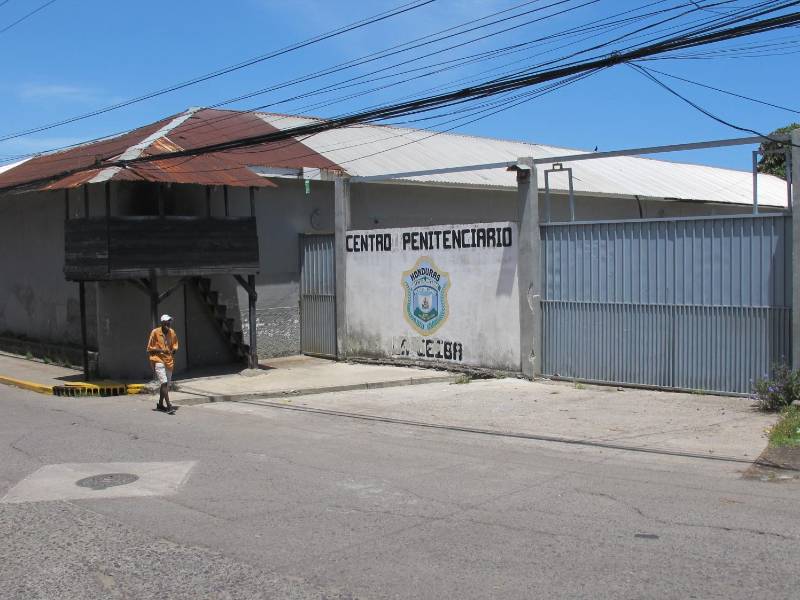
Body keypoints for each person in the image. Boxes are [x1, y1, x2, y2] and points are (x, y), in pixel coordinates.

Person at [147, 314, 179, 414]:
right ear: (162, 323)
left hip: (168, 361)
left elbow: (175, 345)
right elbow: (149, 349)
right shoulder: (155, 332)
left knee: (165, 384)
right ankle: (169, 406)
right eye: (166, 322)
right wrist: (161, 350)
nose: (168, 323)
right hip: (158, 360)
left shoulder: (172, 332)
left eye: (169, 321)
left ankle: (160, 405)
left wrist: (173, 351)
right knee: (164, 382)